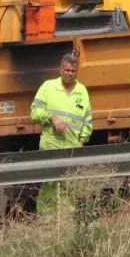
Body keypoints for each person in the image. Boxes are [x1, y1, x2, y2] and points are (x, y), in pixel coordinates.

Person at [30, 50, 92, 213]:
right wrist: (52, 118)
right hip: (51, 145)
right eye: (67, 70)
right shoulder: (48, 87)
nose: (69, 74)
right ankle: (46, 220)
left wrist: (82, 140)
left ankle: (66, 221)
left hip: (72, 147)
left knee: (69, 185)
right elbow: (35, 111)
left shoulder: (82, 91)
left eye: (73, 71)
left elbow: (87, 119)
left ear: (76, 72)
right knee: (50, 183)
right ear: (61, 70)